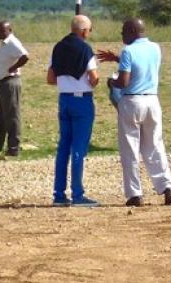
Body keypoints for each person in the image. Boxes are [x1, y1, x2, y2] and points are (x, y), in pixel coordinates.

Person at [98, 19, 171, 207]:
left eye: (124, 31)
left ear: (133, 31)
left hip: (132, 101)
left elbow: (124, 82)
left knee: (130, 149)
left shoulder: (128, 51)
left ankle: (135, 194)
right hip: (152, 100)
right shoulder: (155, 48)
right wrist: (117, 58)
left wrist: (111, 83)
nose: (122, 35)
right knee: (155, 146)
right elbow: (141, 65)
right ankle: (167, 187)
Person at [48, 15, 100, 206]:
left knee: (63, 147)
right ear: (84, 30)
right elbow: (93, 78)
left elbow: (50, 78)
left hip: (64, 100)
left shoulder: (57, 47)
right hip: (81, 100)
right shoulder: (85, 49)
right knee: (78, 148)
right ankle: (78, 194)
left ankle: (59, 194)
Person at [0, 20, 28, 158]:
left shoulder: (12, 42)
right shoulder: (4, 43)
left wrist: (14, 67)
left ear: (10, 30)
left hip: (10, 82)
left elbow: (25, 56)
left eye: (2, 30)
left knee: (12, 116)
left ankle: (14, 147)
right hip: (2, 83)